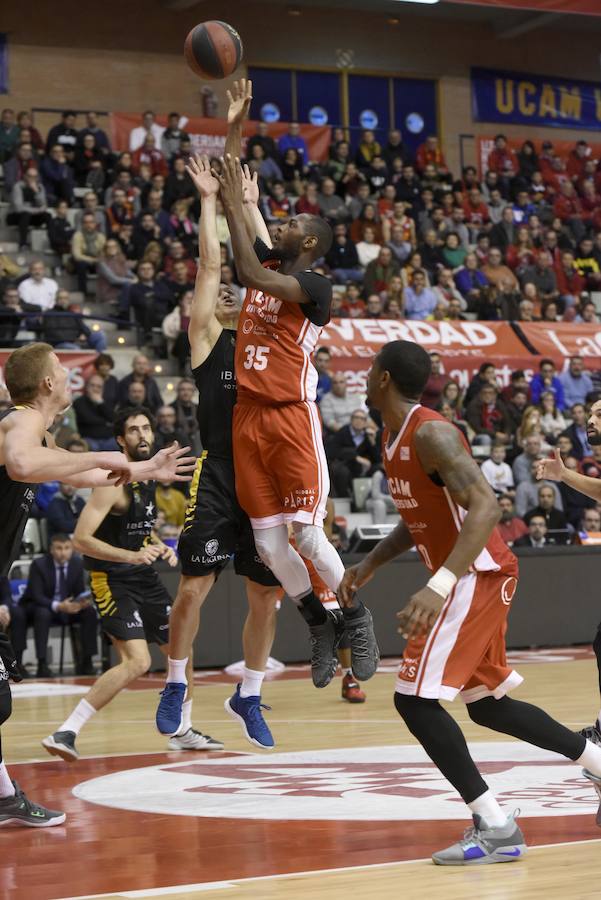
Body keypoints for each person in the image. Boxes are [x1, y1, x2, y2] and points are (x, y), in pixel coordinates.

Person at [338, 339, 601, 865]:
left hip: (474, 574)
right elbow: (420, 519)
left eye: (370, 369)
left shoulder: (430, 431)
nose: (365, 377)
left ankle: (496, 824)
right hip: (475, 573)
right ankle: (598, 761)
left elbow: (486, 507)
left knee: (412, 699)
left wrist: (438, 587)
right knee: (488, 706)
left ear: (384, 378)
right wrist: (370, 564)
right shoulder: (394, 438)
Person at [214, 89, 379, 692]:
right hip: (247, 417)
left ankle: (355, 616)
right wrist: (233, 128)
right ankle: (319, 621)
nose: (275, 225)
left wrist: (238, 210)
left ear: (308, 243)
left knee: (308, 534)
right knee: (268, 545)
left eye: (286, 225)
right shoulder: (271, 264)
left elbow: (253, 268)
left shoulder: (313, 285)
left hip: (290, 416)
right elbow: (239, 191)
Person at [153, 143, 282, 749]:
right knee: (192, 589)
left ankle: (249, 693)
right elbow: (211, 267)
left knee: (266, 598)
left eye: (241, 289)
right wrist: (209, 201)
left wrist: (253, 209)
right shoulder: (207, 344)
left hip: (269, 478)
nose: (231, 291)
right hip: (222, 472)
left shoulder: (268, 339)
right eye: (225, 293)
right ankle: (177, 682)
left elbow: (271, 270)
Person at [42, 407, 219, 761]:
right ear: (121, 440)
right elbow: (80, 539)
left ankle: (182, 730)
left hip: (141, 575)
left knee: (181, 646)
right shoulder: (112, 482)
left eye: (146, 428)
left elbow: (135, 527)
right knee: (137, 662)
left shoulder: (151, 475)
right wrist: (130, 556)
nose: (142, 435)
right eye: (133, 430)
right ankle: (67, 730)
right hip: (110, 578)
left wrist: (154, 546)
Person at [11, 534, 97, 677]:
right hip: (38, 606)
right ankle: (42, 664)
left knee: (89, 612)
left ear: (72, 549)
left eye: (67, 548)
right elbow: (37, 596)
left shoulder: (77, 563)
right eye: (59, 548)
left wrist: (80, 603)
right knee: (42, 613)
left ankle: (87, 661)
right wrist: (59, 606)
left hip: (65, 607)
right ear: (51, 549)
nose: (63, 552)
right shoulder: (39, 565)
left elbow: (79, 592)